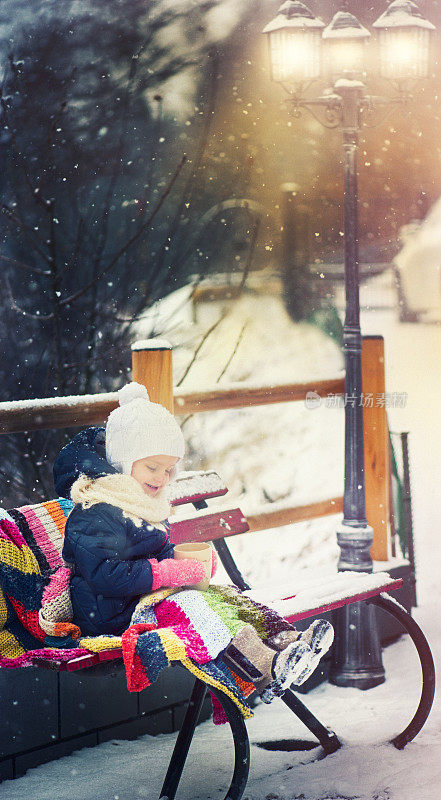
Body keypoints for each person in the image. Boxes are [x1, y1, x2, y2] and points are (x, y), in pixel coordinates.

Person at [53, 382, 333, 702]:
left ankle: (287, 642)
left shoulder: (141, 501)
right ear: (122, 463)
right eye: (152, 467)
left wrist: (188, 562)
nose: (162, 477)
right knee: (194, 608)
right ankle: (264, 668)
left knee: (222, 597)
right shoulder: (96, 509)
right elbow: (105, 574)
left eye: (169, 469)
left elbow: (156, 551)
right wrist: (166, 573)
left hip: (142, 599)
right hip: (109, 615)